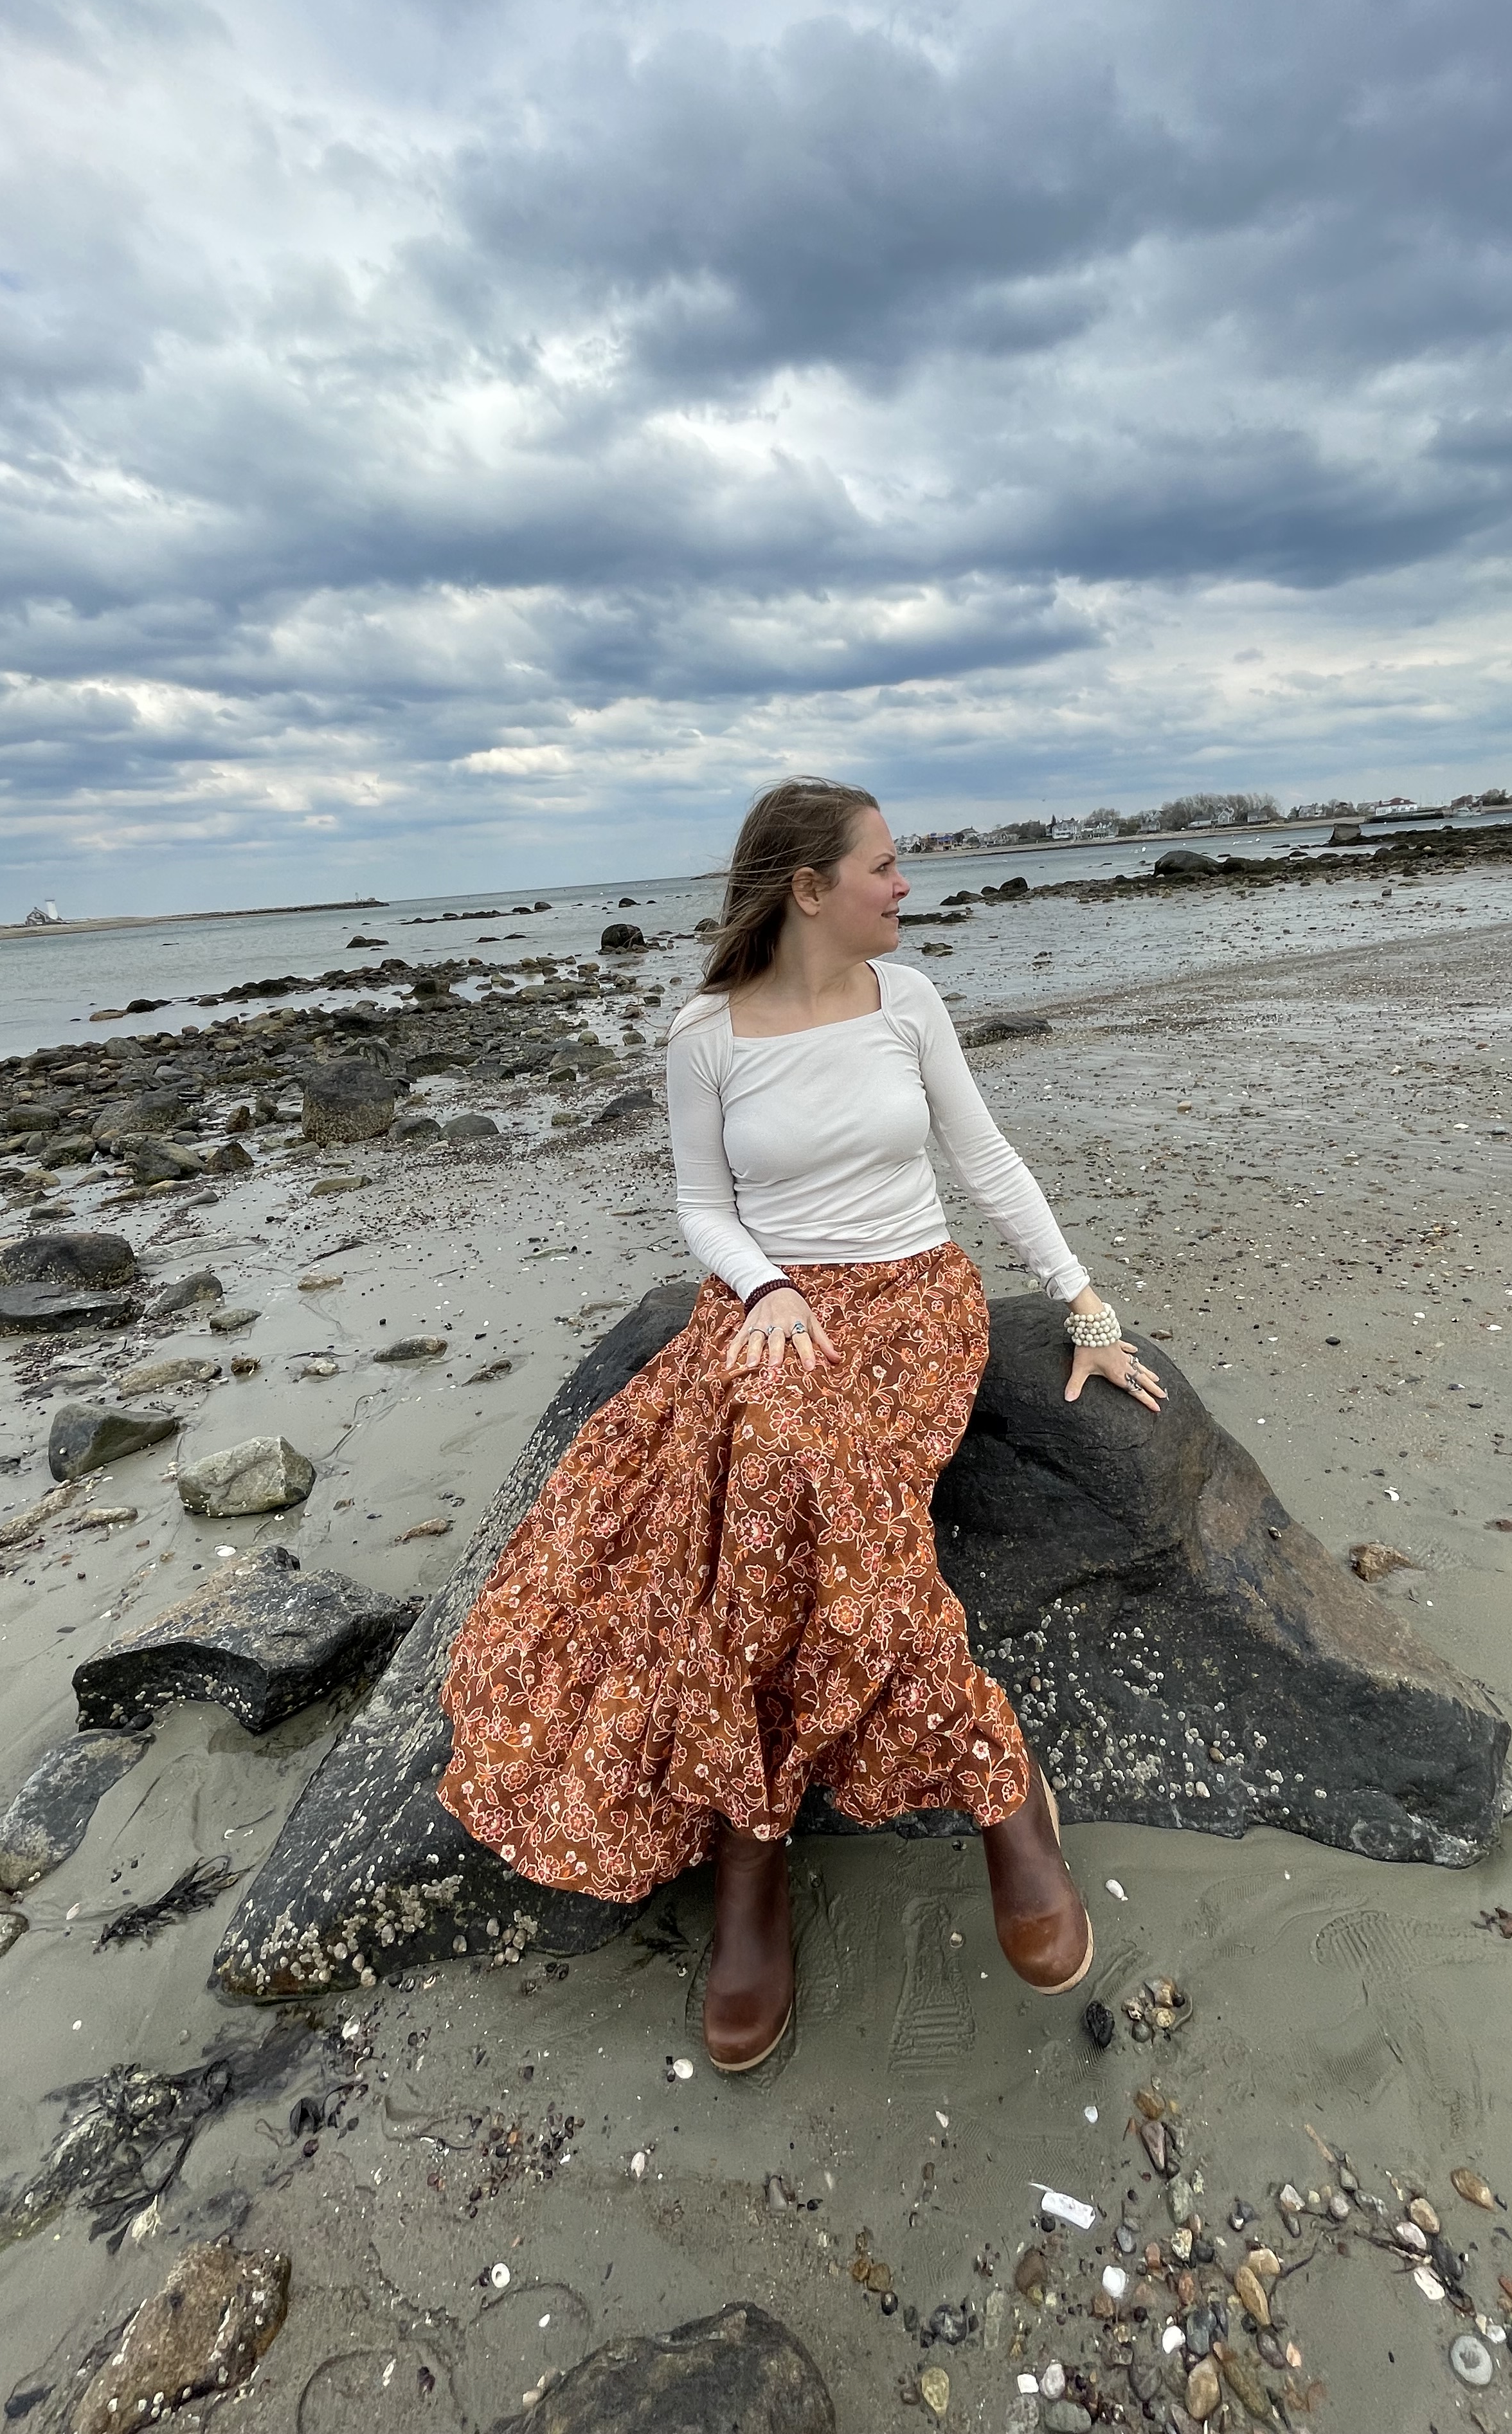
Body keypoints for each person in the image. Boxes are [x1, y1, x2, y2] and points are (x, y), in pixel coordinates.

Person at [438, 777, 1164, 2071]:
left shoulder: (911, 1002)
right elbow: (702, 1206)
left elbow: (986, 1161)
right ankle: (860, 1815)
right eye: (884, 865)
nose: (905, 885)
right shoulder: (704, 1034)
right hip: (775, 1309)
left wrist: (1087, 1307)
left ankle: (774, 1845)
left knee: (788, 1476)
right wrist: (767, 1287)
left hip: (913, 1300)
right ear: (809, 889)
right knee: (772, 1466)